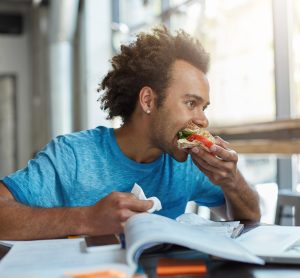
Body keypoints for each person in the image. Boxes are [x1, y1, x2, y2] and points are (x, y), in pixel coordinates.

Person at [0, 27, 260, 240]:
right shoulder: (72, 156)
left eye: (204, 107)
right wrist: (87, 219)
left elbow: (249, 217)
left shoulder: (187, 164)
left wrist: (231, 180)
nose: (203, 119)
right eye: (191, 103)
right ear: (148, 100)